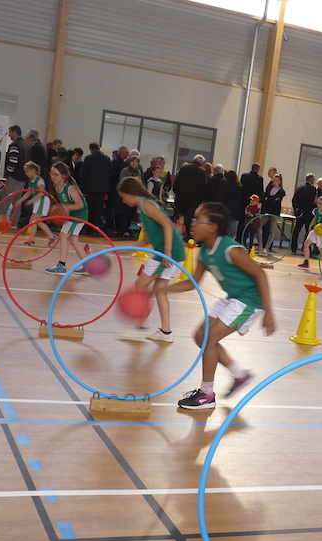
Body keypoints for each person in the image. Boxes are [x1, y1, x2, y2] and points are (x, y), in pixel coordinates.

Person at [168, 202, 275, 409]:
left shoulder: (230, 249)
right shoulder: (205, 252)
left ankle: (206, 394)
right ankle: (239, 374)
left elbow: (260, 273)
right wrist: (162, 289)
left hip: (250, 300)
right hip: (234, 297)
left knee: (208, 338)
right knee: (200, 336)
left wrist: (269, 312)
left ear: (213, 227)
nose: (192, 224)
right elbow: (192, 283)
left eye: (198, 220)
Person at [117, 176, 186, 342]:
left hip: (169, 253)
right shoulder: (143, 208)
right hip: (167, 252)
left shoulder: (147, 205)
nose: (123, 200)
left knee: (141, 284)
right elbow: (148, 238)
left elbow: (168, 225)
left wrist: (167, 252)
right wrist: (131, 249)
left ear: (131, 193)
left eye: (123, 196)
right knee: (159, 290)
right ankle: (166, 332)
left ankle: (140, 327)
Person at [45, 162, 89, 275]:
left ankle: (62, 266)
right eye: (51, 174)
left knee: (63, 236)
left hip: (79, 214)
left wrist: (66, 208)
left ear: (64, 176)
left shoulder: (70, 189)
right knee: (73, 240)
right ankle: (87, 265)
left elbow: (80, 205)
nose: (53, 176)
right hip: (71, 215)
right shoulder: (56, 186)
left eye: (56, 174)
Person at [18, 162, 57, 247]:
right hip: (38, 201)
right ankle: (51, 236)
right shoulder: (31, 181)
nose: (26, 173)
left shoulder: (39, 180)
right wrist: (20, 200)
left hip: (42, 200)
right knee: (37, 222)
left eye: (27, 171)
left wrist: (32, 200)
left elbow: (42, 192)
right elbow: (29, 192)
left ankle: (31, 239)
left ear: (33, 170)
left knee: (33, 219)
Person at [78, 142, 112, 230]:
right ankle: (95, 228)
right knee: (98, 209)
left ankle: (85, 227)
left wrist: (82, 185)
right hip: (101, 188)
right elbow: (110, 172)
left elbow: (83, 173)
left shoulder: (88, 158)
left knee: (88, 207)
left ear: (91, 149)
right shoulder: (106, 159)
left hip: (89, 187)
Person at [297, 195, 322, 272]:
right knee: (306, 244)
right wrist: (310, 225)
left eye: (321, 203)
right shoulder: (316, 211)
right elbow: (316, 218)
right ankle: (306, 261)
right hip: (315, 230)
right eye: (318, 203)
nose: (319, 205)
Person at [171, 154, 207, 225]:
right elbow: (203, 188)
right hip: (193, 201)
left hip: (181, 199)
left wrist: (177, 194)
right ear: (200, 162)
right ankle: (186, 234)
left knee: (177, 218)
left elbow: (176, 183)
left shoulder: (184, 168)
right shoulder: (201, 171)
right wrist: (200, 200)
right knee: (189, 220)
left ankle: (174, 233)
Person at [291, 173, 317, 253]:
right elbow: (314, 202)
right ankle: (306, 247)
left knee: (296, 230)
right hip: (309, 214)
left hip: (300, 213)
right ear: (311, 180)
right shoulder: (313, 189)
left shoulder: (300, 188)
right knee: (308, 231)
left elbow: (294, 200)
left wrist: (296, 209)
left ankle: (293, 247)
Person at [261, 173, 286, 253]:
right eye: (274, 180)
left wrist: (269, 199)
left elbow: (275, 201)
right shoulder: (269, 188)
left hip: (274, 212)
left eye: (276, 181)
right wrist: (269, 199)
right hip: (266, 211)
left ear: (280, 182)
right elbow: (264, 198)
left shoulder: (281, 191)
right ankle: (260, 245)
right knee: (258, 226)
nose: (275, 182)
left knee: (272, 230)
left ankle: (267, 247)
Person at [223, 169, 244, 238]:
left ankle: (224, 239)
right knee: (233, 225)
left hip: (227, 206)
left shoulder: (226, 185)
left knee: (226, 225)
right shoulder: (238, 186)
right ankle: (231, 238)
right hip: (235, 207)